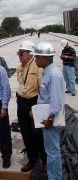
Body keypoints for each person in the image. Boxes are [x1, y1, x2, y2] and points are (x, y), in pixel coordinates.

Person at [31, 42, 65, 180]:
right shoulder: (47, 71)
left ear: (46, 58)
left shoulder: (54, 75)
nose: (36, 59)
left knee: (52, 152)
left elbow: (56, 101)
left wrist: (50, 119)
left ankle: (55, 178)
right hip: (47, 117)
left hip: (51, 119)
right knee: (50, 150)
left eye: (37, 57)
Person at [16, 40, 46, 173]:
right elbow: (20, 83)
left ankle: (44, 162)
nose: (19, 55)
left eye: (21, 53)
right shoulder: (20, 67)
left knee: (38, 134)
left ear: (29, 53)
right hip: (21, 102)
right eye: (19, 53)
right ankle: (32, 160)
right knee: (26, 133)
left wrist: (36, 108)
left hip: (34, 102)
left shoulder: (38, 67)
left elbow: (42, 90)